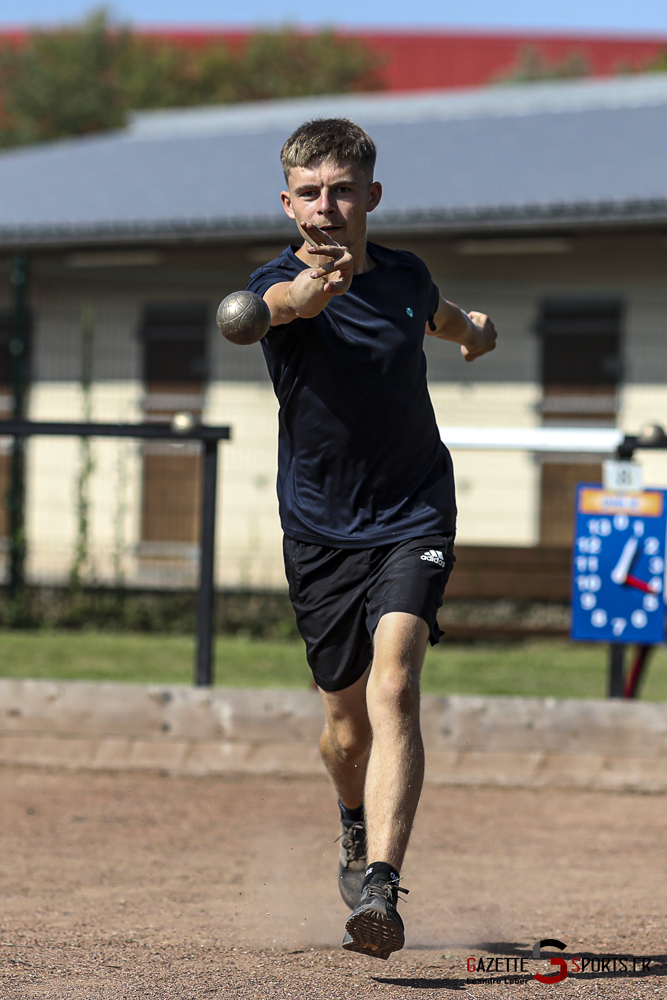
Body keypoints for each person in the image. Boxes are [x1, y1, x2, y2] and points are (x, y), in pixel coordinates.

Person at [236, 117, 497, 960]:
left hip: (414, 508)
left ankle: (381, 885)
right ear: (287, 204)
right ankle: (352, 824)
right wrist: (309, 295)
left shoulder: (405, 277)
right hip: (320, 530)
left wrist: (474, 333)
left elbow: (441, 315)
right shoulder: (280, 288)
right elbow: (272, 309)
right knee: (346, 731)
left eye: (341, 189)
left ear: (370, 197)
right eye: (309, 192)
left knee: (394, 687)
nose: (326, 205)